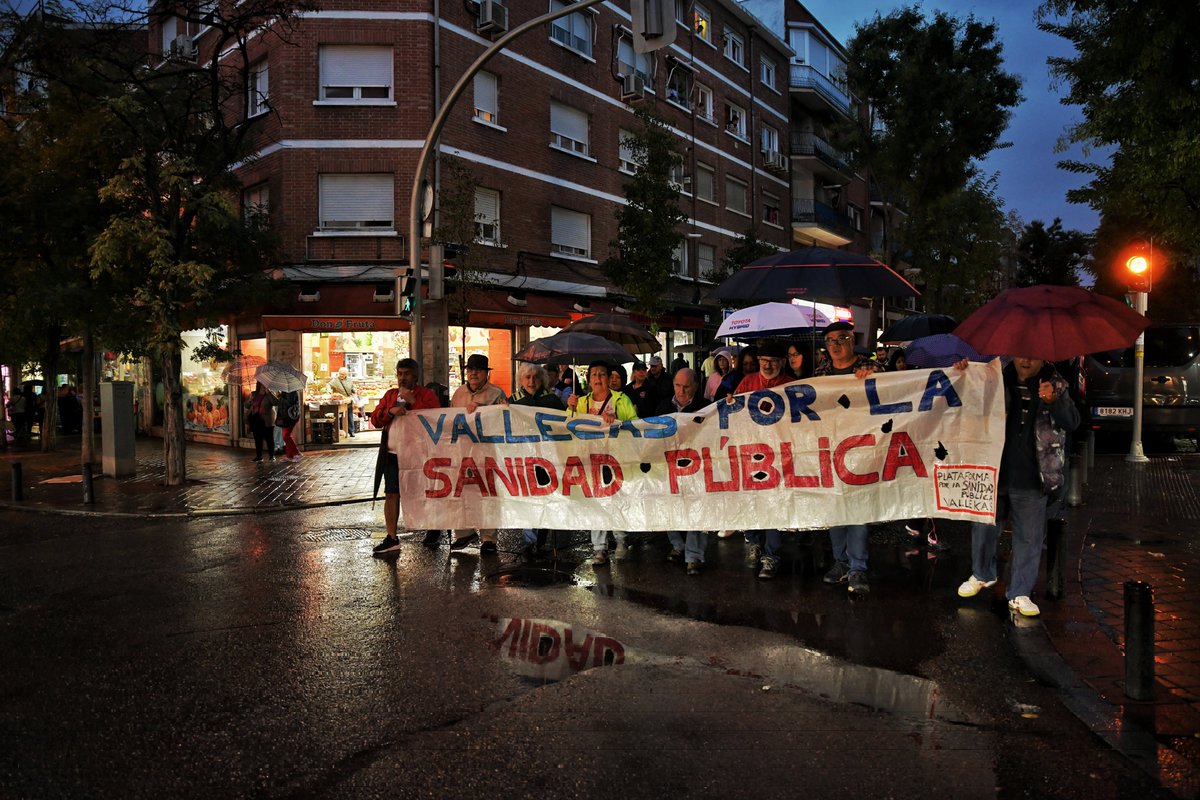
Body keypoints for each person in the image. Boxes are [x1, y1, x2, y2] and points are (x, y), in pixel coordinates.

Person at [958, 356, 1079, 617]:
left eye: (1033, 354)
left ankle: (1020, 592)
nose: (1026, 360)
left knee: (1029, 537)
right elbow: (964, 403)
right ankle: (982, 574)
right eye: (1020, 352)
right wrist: (963, 374)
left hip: (1034, 476)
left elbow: (1072, 422)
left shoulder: (1057, 384)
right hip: (995, 470)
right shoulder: (993, 378)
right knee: (983, 525)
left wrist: (1054, 401)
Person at [814, 321, 882, 594]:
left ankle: (857, 568)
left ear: (852, 340)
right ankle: (841, 562)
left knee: (857, 511)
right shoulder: (820, 373)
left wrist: (873, 380)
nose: (836, 344)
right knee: (836, 510)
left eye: (841, 338)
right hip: (829, 450)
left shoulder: (871, 369)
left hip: (861, 449)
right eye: (830, 340)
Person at [733, 342, 793, 579]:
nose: (768, 366)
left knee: (773, 504)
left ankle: (771, 555)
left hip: (778, 457)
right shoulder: (747, 383)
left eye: (774, 361)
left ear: (782, 363)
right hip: (751, 454)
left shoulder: (789, 384)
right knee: (752, 500)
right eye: (764, 361)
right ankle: (753, 541)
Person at [370, 358, 441, 554]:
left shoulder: (426, 395)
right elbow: (375, 419)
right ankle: (392, 537)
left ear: (415, 376)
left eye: (407, 374)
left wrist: (413, 403)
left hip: (418, 455)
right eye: (400, 374)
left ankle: (434, 527)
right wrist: (390, 411)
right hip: (392, 455)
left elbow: (437, 420)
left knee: (424, 492)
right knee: (391, 493)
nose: (403, 378)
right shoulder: (390, 395)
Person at [572, 361, 638, 565]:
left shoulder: (621, 400)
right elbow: (567, 428)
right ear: (588, 379)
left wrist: (618, 420)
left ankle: (620, 541)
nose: (597, 378)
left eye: (601, 374)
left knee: (617, 500)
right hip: (590, 461)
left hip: (616, 460)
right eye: (593, 374)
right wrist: (570, 409)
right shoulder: (581, 402)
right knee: (596, 503)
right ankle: (599, 548)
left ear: (609, 378)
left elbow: (635, 423)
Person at [449, 354, 509, 553]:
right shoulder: (458, 394)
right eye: (470, 369)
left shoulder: (496, 393)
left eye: (478, 370)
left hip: (487, 451)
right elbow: (450, 421)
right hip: (464, 452)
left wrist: (483, 409)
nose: (473, 373)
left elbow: (503, 419)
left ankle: (489, 539)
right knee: (462, 492)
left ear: (486, 374)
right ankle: (463, 533)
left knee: (488, 493)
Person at [509, 363, 567, 561]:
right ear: (521, 380)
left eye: (535, 377)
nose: (531, 381)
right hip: (524, 458)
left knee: (546, 498)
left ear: (542, 379)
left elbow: (564, 425)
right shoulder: (513, 401)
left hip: (548, 458)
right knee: (529, 499)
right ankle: (529, 542)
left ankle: (541, 536)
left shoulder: (552, 400)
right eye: (527, 377)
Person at [656, 368, 710, 575]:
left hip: (696, 468)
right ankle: (678, 545)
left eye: (686, 386)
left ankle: (694, 555)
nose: (681, 390)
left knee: (696, 508)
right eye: (678, 386)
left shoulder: (706, 408)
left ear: (696, 386)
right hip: (670, 467)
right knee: (672, 507)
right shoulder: (663, 406)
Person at [247, 382, 278, 462]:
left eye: (266, 384)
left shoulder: (269, 394)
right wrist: (249, 401)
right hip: (256, 419)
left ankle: (272, 456)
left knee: (269, 439)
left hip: (267, 420)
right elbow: (247, 406)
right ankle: (259, 456)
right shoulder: (254, 394)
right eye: (263, 384)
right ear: (259, 385)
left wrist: (269, 393)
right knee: (258, 438)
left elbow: (276, 402)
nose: (264, 386)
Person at [328, 368, 356, 436]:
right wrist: (329, 391)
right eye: (340, 374)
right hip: (340, 399)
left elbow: (352, 387)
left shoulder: (349, 380)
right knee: (340, 416)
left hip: (348, 399)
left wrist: (354, 390)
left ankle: (351, 431)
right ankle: (341, 431)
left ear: (346, 374)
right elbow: (328, 385)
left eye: (343, 374)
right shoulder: (335, 380)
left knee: (350, 415)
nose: (341, 375)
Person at [277, 389, 303, 461]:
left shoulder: (291, 391)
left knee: (286, 436)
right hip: (285, 416)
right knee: (288, 435)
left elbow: (289, 402)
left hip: (289, 417)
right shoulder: (285, 391)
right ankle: (289, 455)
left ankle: (296, 453)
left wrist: (280, 398)